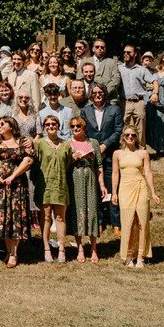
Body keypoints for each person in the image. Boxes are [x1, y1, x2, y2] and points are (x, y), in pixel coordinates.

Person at [0, 117, 35, 268]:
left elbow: (28, 161)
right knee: (4, 219)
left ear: (11, 126)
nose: (0, 126)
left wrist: (13, 176)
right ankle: (8, 250)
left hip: (16, 185)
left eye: (3, 123)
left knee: (15, 217)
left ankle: (14, 253)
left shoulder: (22, 142)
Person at [113, 127, 161, 268]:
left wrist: (153, 192)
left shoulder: (143, 153)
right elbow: (115, 174)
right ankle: (128, 255)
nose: (130, 137)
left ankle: (140, 256)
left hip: (140, 188)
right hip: (125, 189)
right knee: (128, 222)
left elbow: (148, 172)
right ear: (123, 137)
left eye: (133, 135)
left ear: (136, 137)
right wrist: (114, 193)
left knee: (141, 222)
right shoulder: (117, 154)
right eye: (127, 135)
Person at [81, 84, 123, 233]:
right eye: (95, 93)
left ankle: (116, 222)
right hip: (92, 155)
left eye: (100, 92)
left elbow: (118, 130)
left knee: (112, 188)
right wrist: (94, 147)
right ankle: (98, 221)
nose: (98, 95)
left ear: (104, 94)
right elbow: (83, 132)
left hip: (110, 155)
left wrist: (105, 146)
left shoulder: (115, 110)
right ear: (91, 95)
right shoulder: (85, 111)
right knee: (96, 189)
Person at [66, 116, 105, 262]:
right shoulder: (68, 144)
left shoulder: (93, 143)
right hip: (75, 179)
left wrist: (102, 184)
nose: (75, 129)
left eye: (78, 126)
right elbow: (64, 165)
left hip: (90, 179)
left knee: (92, 211)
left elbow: (99, 166)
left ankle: (94, 248)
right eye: (73, 126)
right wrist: (72, 159)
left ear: (84, 128)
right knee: (77, 212)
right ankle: (80, 248)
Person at [33, 115, 71, 263]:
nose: (50, 126)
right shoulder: (40, 144)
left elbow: (67, 164)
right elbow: (35, 164)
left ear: (58, 125)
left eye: (53, 123)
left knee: (60, 218)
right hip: (45, 186)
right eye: (47, 124)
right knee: (46, 217)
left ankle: (62, 249)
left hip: (61, 185)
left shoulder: (66, 145)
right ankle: (46, 248)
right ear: (44, 126)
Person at [119, 45, 153, 142]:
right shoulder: (119, 68)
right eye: (124, 52)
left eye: (129, 52)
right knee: (123, 127)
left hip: (139, 102)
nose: (126, 54)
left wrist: (155, 93)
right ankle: (124, 150)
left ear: (135, 54)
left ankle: (141, 150)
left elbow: (154, 80)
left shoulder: (141, 69)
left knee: (140, 128)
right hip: (124, 102)